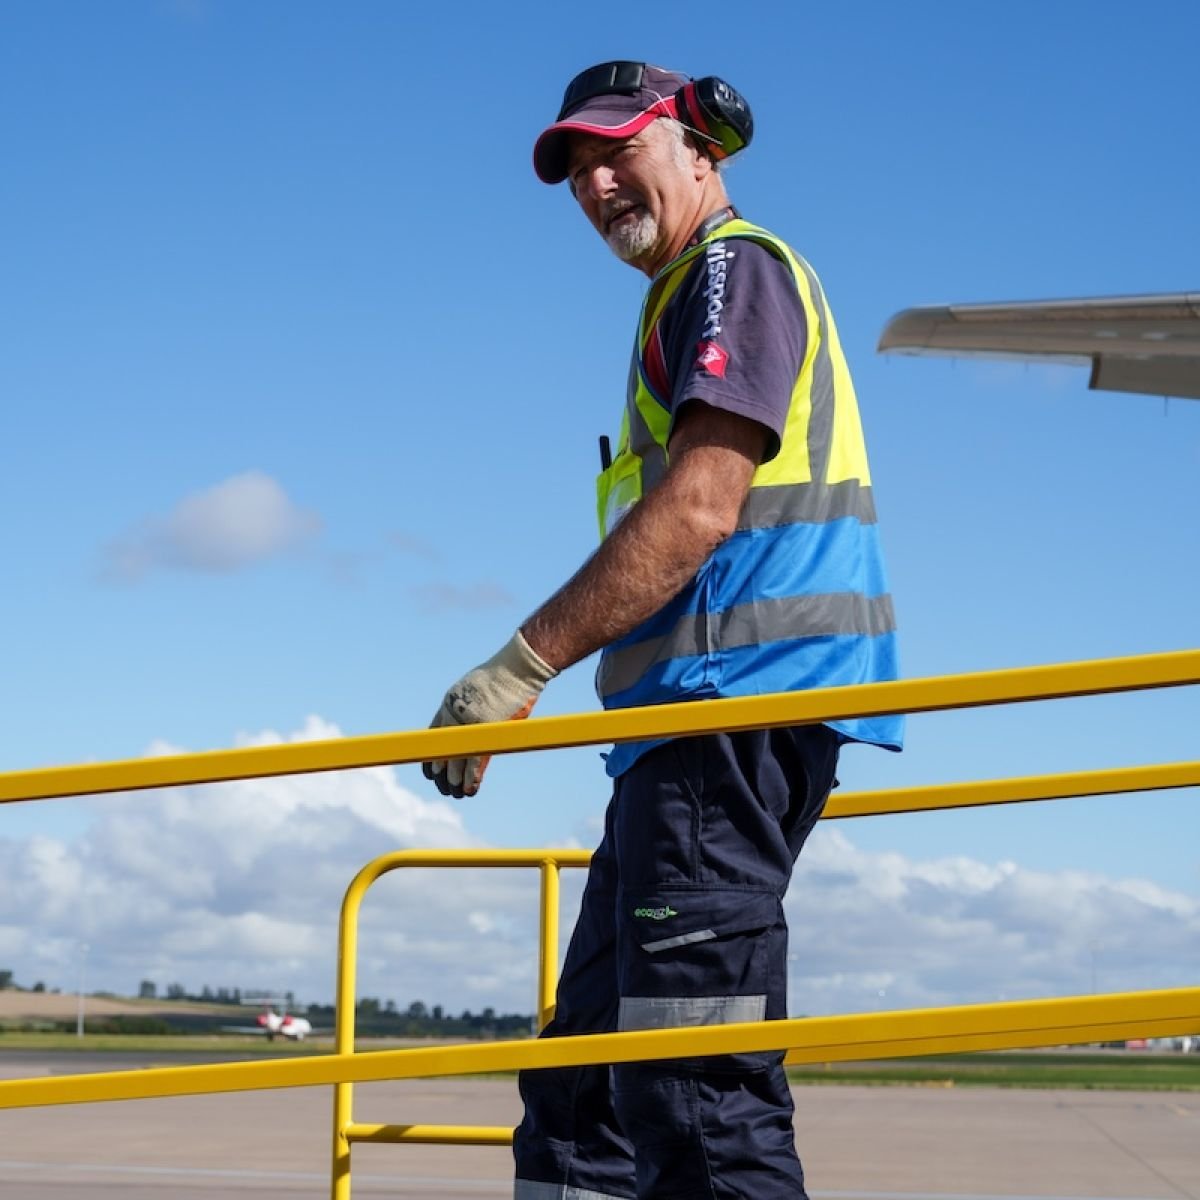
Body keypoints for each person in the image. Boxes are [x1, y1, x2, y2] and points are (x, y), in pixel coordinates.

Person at [422, 61, 902, 1200]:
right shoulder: (682, 292)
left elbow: (696, 507)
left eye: (616, 150)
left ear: (701, 146)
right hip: (677, 739)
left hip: (734, 715)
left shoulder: (732, 270)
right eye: (577, 169)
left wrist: (515, 668)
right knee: (583, 1090)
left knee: (692, 1094)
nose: (595, 183)